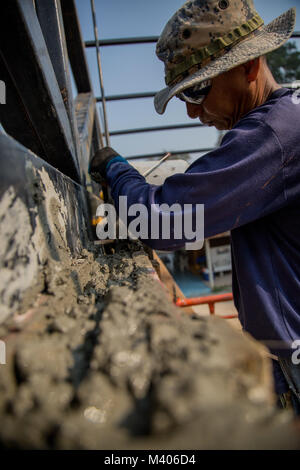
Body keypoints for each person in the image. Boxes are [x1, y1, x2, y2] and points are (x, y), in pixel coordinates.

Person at [89, 0, 300, 414]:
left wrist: (115, 170)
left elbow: (164, 223)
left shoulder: (272, 136)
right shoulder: (287, 119)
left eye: (199, 90)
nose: (191, 111)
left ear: (250, 65)